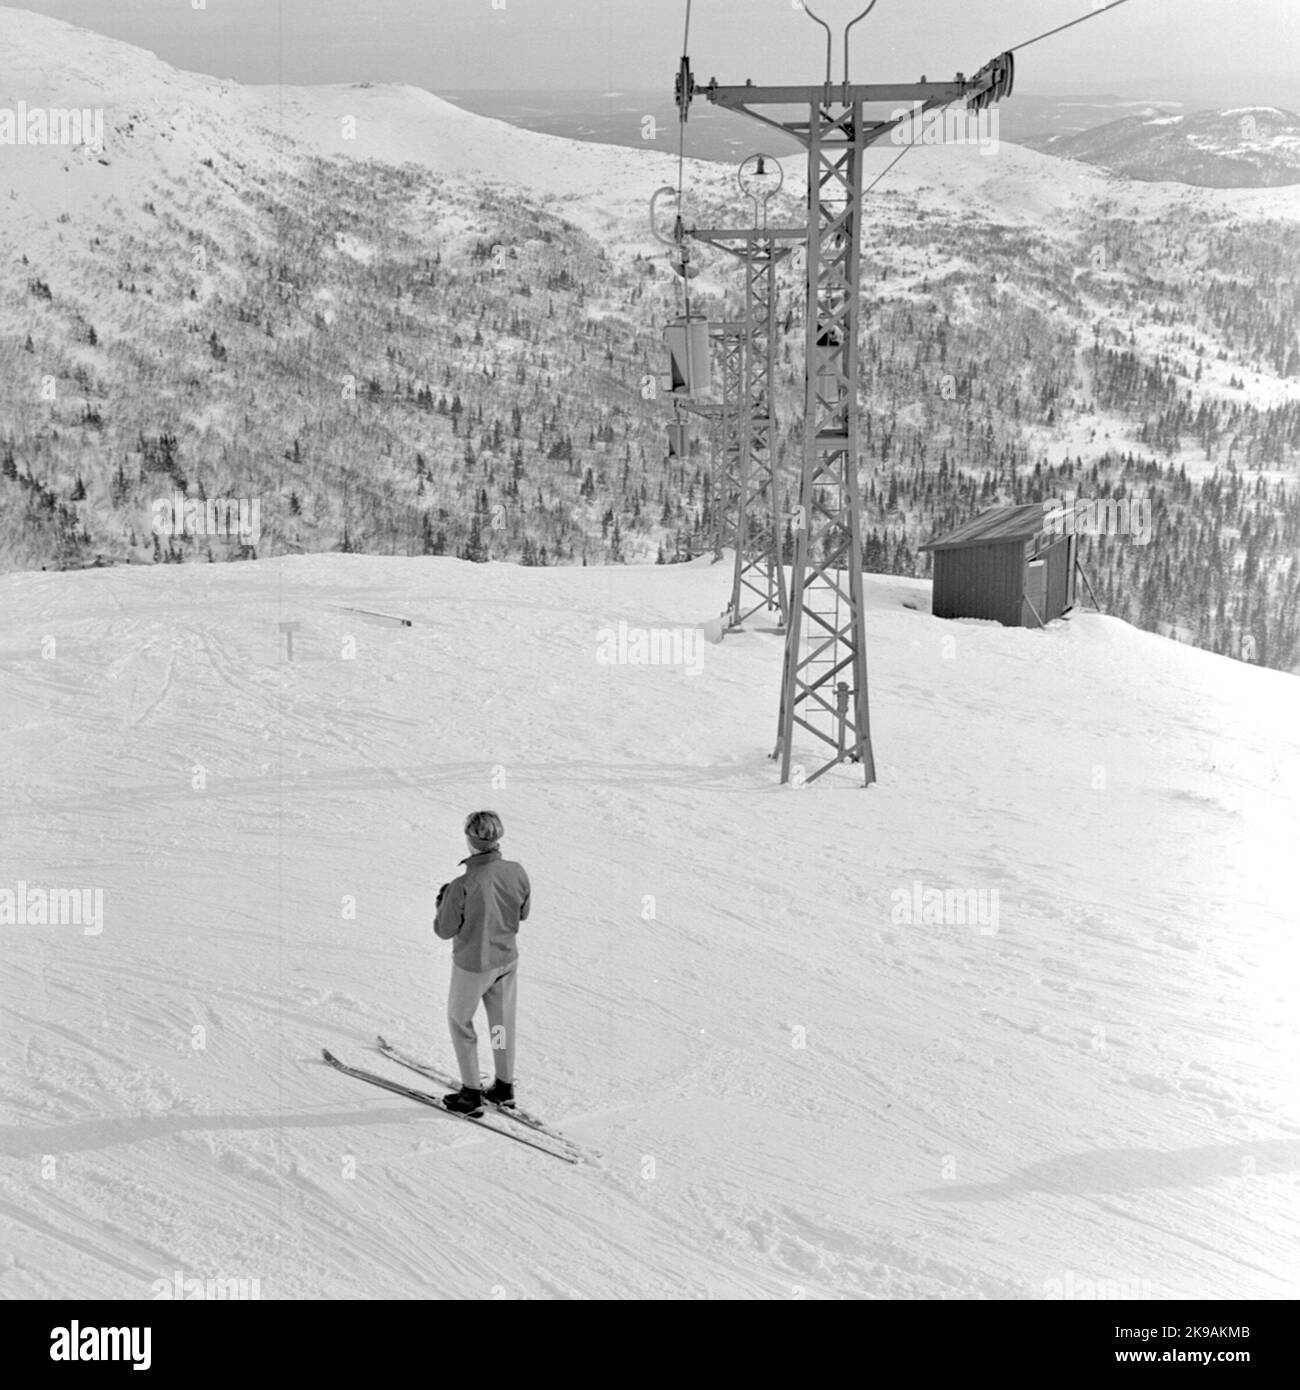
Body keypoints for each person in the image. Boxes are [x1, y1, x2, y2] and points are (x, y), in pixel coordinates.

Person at [433, 811, 531, 1116]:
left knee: (460, 1021)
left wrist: (442, 903)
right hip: (506, 960)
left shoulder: (463, 884)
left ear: (470, 838)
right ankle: (503, 1087)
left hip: (474, 966)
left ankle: (471, 1092)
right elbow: (523, 913)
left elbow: (444, 930)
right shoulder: (516, 871)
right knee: (500, 1024)